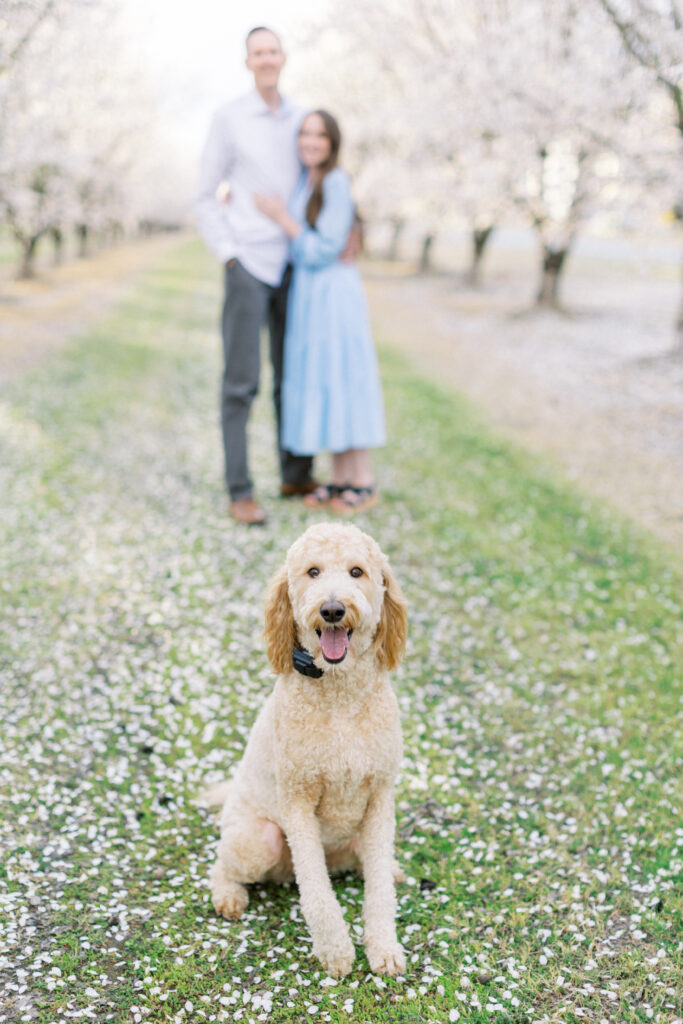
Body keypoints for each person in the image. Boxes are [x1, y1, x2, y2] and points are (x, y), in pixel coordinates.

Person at [194, 26, 317, 525]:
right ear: (248, 62)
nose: (266, 59)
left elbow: (319, 176)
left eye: (273, 50)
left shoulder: (301, 118)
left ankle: (295, 474)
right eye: (257, 52)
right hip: (247, 264)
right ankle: (240, 490)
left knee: (294, 377)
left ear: (284, 58)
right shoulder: (228, 117)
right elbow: (204, 194)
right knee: (241, 381)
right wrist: (228, 253)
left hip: (293, 266)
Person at [254, 110, 385, 515]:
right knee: (326, 377)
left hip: (333, 294)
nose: (310, 142)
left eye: (320, 135)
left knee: (344, 375)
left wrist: (282, 220)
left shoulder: (335, 181)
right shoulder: (308, 180)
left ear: (332, 142)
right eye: (305, 134)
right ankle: (340, 476)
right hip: (311, 295)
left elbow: (323, 248)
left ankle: (362, 479)